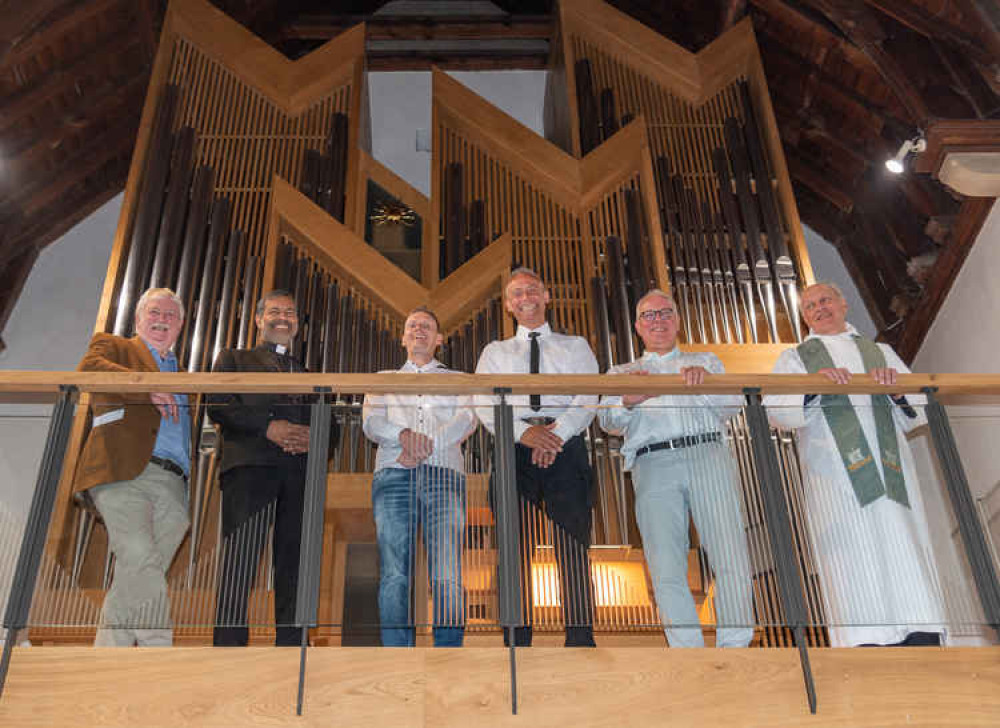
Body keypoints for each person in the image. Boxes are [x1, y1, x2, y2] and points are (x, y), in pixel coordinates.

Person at [766, 282, 945, 647]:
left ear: (844, 303)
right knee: (851, 553)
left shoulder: (881, 352)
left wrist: (897, 391)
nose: (820, 308)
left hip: (889, 466)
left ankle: (920, 631)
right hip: (833, 474)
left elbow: (919, 406)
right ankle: (864, 639)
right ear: (804, 318)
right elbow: (776, 411)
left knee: (901, 538)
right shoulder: (796, 358)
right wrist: (814, 386)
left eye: (826, 300)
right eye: (810, 306)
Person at [599, 289, 754, 648]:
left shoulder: (706, 360)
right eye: (649, 316)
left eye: (665, 313)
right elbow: (607, 420)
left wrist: (706, 385)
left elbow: (732, 406)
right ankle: (687, 651)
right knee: (666, 562)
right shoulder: (621, 372)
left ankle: (736, 645)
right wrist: (627, 399)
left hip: (706, 453)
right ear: (638, 326)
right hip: (653, 463)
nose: (658, 321)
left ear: (678, 320)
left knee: (729, 553)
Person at [475, 267, 599, 647]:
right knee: (514, 548)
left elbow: (589, 394)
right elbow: (483, 401)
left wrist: (554, 436)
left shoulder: (575, 345)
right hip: (514, 449)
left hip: (567, 446)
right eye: (517, 293)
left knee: (573, 545)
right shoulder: (494, 353)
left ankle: (580, 640)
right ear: (509, 304)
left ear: (547, 296)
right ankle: (517, 641)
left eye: (532, 290)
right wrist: (526, 434)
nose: (525, 296)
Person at [73, 287, 192, 646]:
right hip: (122, 470)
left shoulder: (185, 373)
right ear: (138, 318)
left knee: (137, 572)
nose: (161, 320)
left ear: (181, 325)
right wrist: (147, 388)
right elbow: (88, 369)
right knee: (140, 556)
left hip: (173, 479)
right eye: (154, 312)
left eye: (170, 316)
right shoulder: (114, 346)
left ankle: (109, 661)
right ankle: (158, 649)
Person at [362, 307, 476, 647]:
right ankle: (397, 651)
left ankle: (449, 650)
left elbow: (467, 419)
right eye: (412, 326)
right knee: (395, 571)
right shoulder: (382, 377)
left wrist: (425, 444)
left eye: (427, 326)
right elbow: (371, 421)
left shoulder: (460, 378)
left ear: (439, 338)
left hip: (444, 474)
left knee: (448, 569)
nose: (419, 330)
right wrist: (403, 436)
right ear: (403, 337)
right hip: (394, 474)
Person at [208, 289, 316, 647]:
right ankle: (229, 648)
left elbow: (325, 421)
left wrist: (313, 439)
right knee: (241, 558)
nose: (283, 317)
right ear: (258, 319)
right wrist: (268, 426)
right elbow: (219, 404)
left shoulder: (306, 372)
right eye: (274, 311)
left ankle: (291, 647)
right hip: (251, 465)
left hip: (299, 473)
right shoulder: (233, 359)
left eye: (290, 311)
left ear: (298, 324)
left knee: (295, 564)